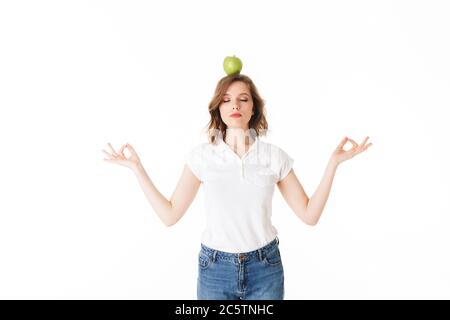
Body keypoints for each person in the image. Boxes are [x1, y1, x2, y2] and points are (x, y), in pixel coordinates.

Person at [102, 73, 372, 300]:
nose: (235, 105)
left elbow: (309, 215)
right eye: (227, 99)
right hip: (215, 268)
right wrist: (137, 168)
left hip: (265, 268)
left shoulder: (273, 156)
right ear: (218, 108)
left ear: (254, 108)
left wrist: (333, 164)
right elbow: (170, 215)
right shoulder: (202, 157)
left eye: (243, 99)